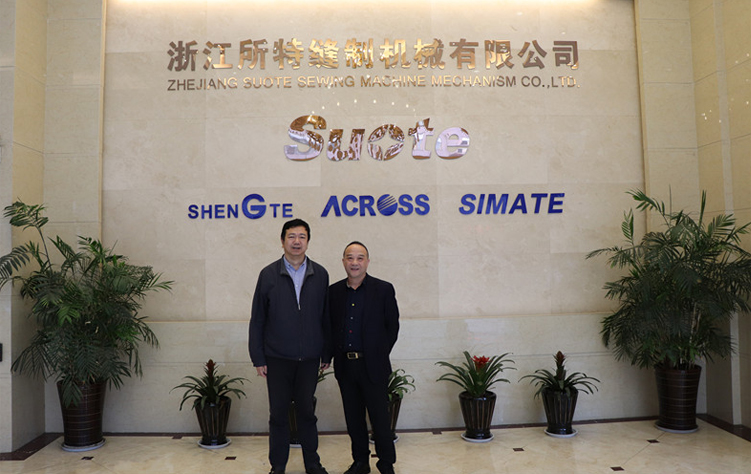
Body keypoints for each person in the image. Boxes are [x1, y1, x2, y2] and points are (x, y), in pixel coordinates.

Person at [249, 219, 331, 474]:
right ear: (282, 240)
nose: (297, 241)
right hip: (277, 358)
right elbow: (258, 318)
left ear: (308, 241)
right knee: (278, 415)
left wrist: (326, 353)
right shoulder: (268, 274)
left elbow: (326, 317)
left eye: (302, 236)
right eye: (291, 236)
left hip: (309, 359)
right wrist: (258, 357)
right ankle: (278, 466)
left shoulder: (320, 274)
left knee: (307, 413)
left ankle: (313, 464)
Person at [329, 241, 400, 474]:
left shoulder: (383, 289)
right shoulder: (333, 292)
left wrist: (378, 353)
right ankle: (360, 462)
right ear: (343, 262)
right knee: (354, 419)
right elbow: (329, 327)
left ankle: (386, 463)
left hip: (373, 365)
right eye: (350, 258)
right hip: (346, 366)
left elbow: (392, 327)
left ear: (367, 262)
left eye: (360, 258)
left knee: (380, 419)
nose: (355, 263)